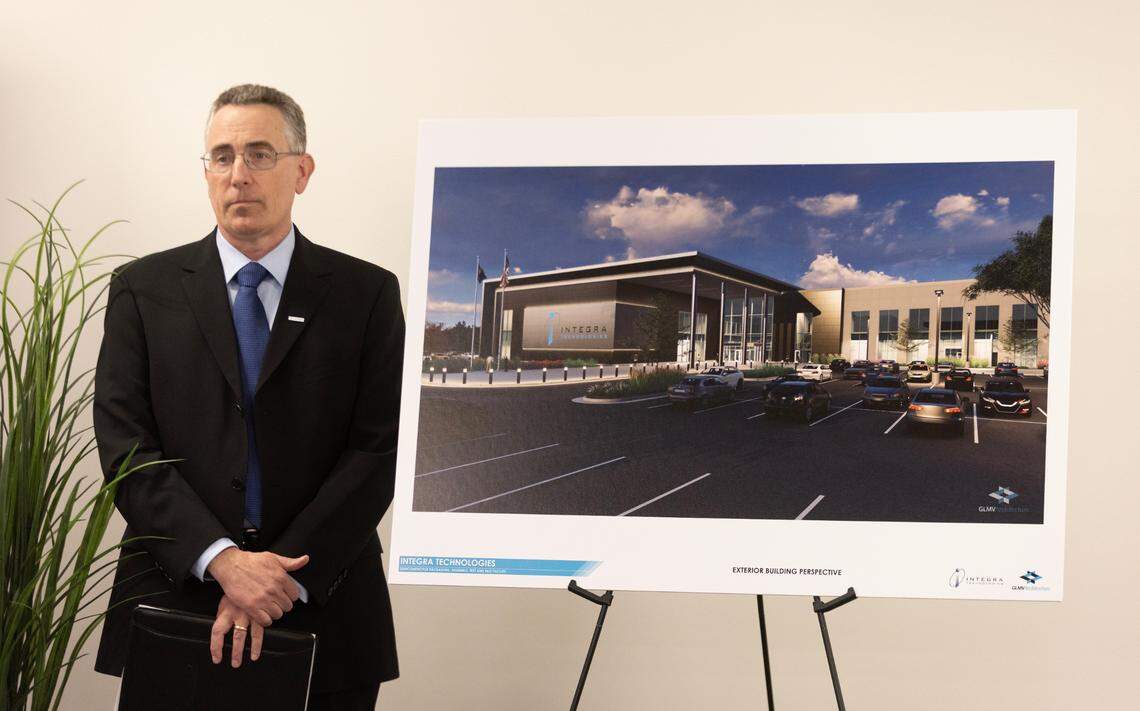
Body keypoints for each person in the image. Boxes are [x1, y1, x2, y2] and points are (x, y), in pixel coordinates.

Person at [93, 84, 403, 709]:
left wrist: (278, 578)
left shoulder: (365, 294)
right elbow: (126, 448)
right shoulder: (142, 290)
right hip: (176, 600)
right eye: (222, 155)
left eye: (260, 154)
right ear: (205, 170)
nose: (239, 175)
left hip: (326, 604)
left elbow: (377, 452)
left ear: (302, 171)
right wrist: (225, 563)